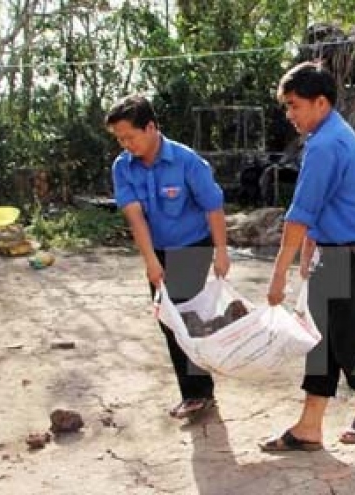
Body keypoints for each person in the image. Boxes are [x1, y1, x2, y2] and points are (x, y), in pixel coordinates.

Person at [261, 62, 355, 451]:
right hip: (346, 256)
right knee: (322, 342)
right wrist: (309, 257)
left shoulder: (325, 144)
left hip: (352, 259)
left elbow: (299, 216)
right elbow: (324, 208)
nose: (290, 115)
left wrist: (278, 277)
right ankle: (310, 425)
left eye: (294, 105)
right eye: (286, 106)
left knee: (344, 340)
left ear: (320, 102)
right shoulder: (334, 134)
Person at [107, 95, 230, 419]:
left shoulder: (187, 161)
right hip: (158, 246)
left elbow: (212, 206)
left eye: (129, 136)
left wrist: (221, 251)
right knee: (167, 319)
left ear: (150, 127)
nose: (125, 144)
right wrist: (151, 261)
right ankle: (197, 390)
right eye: (119, 139)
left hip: (193, 244)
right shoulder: (123, 167)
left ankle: (198, 393)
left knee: (182, 314)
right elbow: (136, 218)